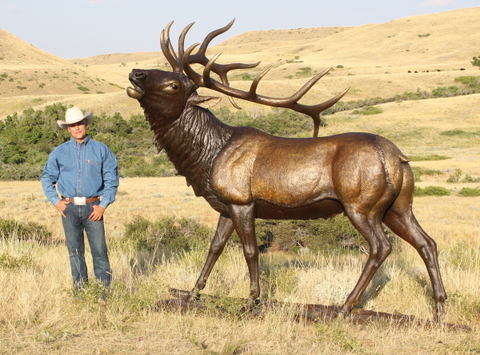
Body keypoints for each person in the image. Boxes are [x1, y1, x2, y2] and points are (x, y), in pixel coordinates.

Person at [41, 107, 119, 289]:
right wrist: (56, 201)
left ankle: (103, 292)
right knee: (74, 252)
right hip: (68, 208)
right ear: (68, 128)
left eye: (79, 123)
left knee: (99, 251)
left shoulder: (101, 150)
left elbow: (111, 179)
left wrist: (103, 205)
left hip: (94, 208)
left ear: (86, 124)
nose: (77, 128)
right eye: (73, 125)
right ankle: (80, 292)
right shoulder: (58, 152)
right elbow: (47, 177)